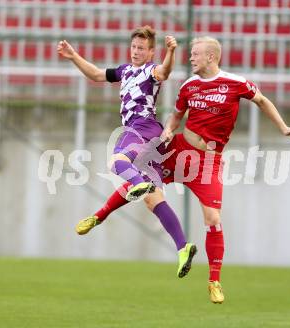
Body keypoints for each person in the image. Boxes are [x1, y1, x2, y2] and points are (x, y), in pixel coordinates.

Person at [82, 36, 290, 303]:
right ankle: (99, 216)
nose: (191, 58)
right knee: (146, 183)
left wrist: (284, 127)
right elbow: (176, 115)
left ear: (211, 57)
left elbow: (262, 101)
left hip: (209, 162)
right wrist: (170, 130)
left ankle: (214, 282)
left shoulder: (235, 83)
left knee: (213, 219)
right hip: (182, 150)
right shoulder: (189, 86)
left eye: (195, 54)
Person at [57, 26, 197, 279]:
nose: (136, 51)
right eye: (134, 47)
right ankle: (182, 247)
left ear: (151, 52)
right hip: (150, 136)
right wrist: (74, 56)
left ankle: (134, 186)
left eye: (141, 48)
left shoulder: (150, 70)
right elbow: (98, 74)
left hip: (141, 127)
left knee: (117, 161)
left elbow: (165, 71)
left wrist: (171, 51)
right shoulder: (124, 71)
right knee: (153, 199)